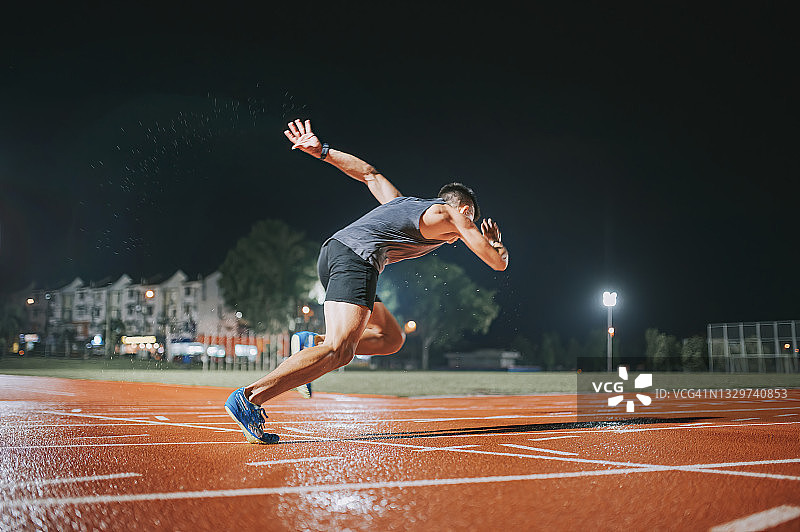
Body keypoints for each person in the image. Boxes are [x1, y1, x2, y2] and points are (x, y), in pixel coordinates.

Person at [224, 119, 509, 444]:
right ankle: (250, 397)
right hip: (357, 258)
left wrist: (323, 151)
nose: (461, 236)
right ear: (465, 209)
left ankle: (312, 342)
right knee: (340, 350)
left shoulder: (402, 203)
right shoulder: (450, 214)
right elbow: (497, 262)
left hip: (336, 252)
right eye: (468, 223)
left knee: (390, 338)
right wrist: (495, 243)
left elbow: (369, 174)